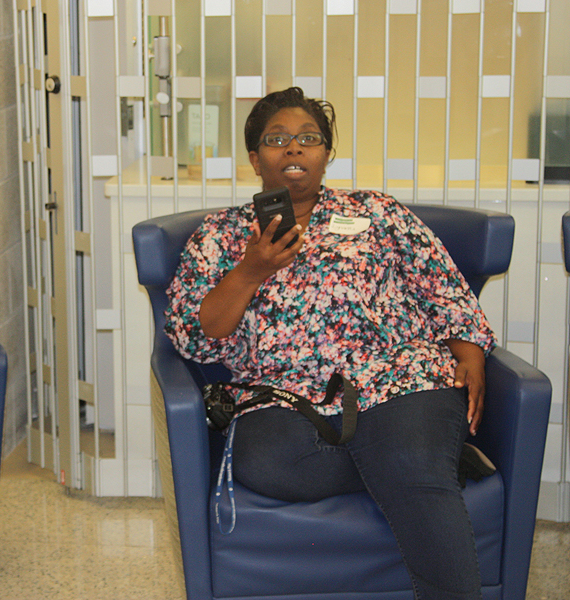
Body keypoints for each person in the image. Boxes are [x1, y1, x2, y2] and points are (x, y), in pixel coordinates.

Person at [164, 87, 495, 600]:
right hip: (285, 397)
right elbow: (196, 333)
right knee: (270, 463)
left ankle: (417, 458)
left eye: (308, 139)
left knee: (409, 458)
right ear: (255, 159)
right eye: (276, 140)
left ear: (326, 155)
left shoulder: (377, 213)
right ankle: (426, 458)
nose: (293, 149)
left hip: (398, 377)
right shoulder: (220, 235)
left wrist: (469, 352)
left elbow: (443, 287)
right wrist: (251, 270)